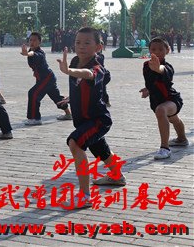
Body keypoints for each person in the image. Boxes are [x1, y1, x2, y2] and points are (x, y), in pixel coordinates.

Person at [56, 27, 126, 208]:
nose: (81, 46)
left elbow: (88, 75)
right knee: (101, 150)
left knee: (75, 142)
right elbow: (81, 84)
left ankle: (85, 196)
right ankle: (117, 176)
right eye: (78, 42)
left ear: (98, 47)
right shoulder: (74, 62)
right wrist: (71, 97)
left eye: (87, 43)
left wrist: (69, 71)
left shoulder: (97, 67)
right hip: (83, 120)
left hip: (98, 119)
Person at [140, 37, 188, 159]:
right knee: (173, 119)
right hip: (156, 100)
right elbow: (152, 82)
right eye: (153, 49)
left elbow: (163, 72)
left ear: (167, 50)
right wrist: (148, 90)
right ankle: (182, 139)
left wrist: (158, 68)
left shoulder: (168, 67)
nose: (157, 52)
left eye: (161, 49)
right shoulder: (146, 66)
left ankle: (165, 148)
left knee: (162, 111)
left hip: (172, 99)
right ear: (149, 50)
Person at [20, 32, 72, 125]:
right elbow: (31, 54)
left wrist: (27, 54)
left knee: (33, 93)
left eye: (35, 40)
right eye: (30, 40)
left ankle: (35, 119)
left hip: (46, 78)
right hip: (44, 78)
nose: (32, 42)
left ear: (40, 42)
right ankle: (68, 114)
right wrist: (27, 54)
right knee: (56, 97)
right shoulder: (31, 51)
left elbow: (33, 54)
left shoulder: (39, 52)